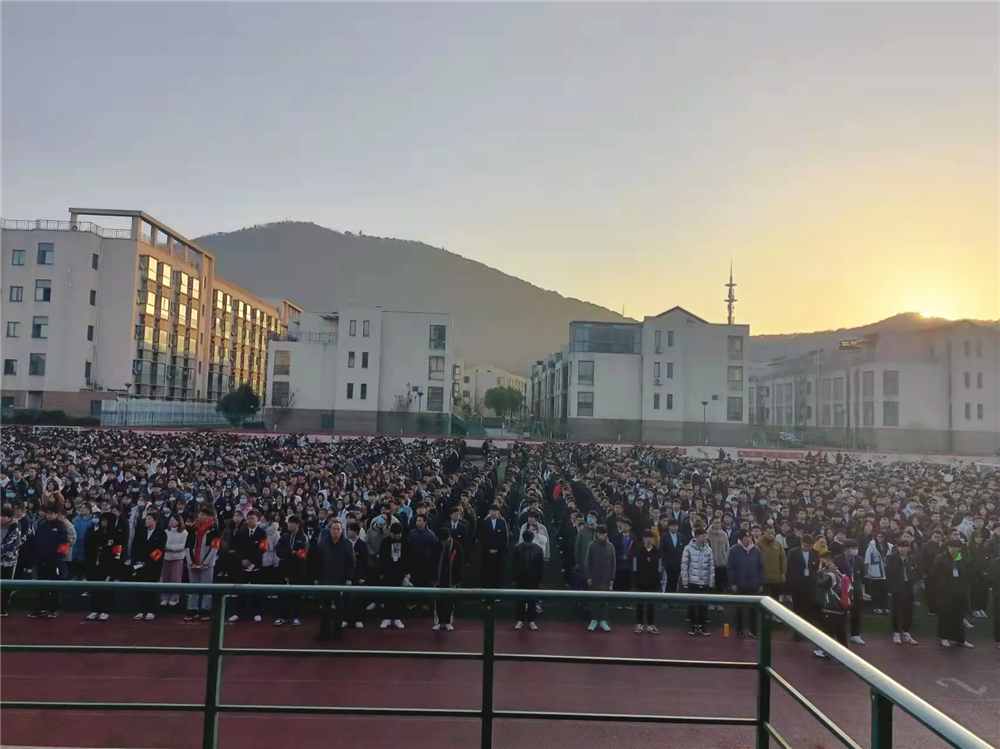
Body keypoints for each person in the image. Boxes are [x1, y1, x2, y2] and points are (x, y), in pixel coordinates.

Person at [315, 518, 356, 642]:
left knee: (339, 609)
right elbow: (316, 562)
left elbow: (351, 563)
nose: (336, 531)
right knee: (325, 608)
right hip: (325, 580)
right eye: (334, 529)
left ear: (341, 531)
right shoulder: (323, 544)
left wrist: (349, 578)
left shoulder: (347, 545)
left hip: (340, 581)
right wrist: (316, 578)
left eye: (338, 529)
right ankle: (324, 633)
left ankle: (338, 634)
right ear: (330, 530)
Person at [28, 505, 70, 619]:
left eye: (51, 513)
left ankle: (54, 609)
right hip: (41, 560)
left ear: (56, 514)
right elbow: (36, 542)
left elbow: (64, 544)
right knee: (41, 586)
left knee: (55, 586)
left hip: (55, 562)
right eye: (48, 513)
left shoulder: (61, 526)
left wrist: (59, 559)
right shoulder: (42, 526)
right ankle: (40, 609)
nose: (49, 515)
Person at [933, 539, 973, 648]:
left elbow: (966, 573)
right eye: (952, 547)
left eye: (957, 547)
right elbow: (935, 575)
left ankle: (960, 639)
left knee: (959, 616)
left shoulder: (961, 559)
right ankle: (943, 637)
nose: (954, 549)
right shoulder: (941, 559)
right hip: (945, 592)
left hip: (959, 592)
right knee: (945, 615)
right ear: (948, 547)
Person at [230, 509, 268, 623]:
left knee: (257, 591)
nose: (250, 521)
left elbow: (262, 549)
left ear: (258, 520)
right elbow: (237, 548)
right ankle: (238, 613)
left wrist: (251, 561)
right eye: (248, 518)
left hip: (256, 566)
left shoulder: (262, 533)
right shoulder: (242, 532)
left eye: (252, 518)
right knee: (241, 591)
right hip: (243, 566)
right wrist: (242, 560)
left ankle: (257, 612)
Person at [184, 507, 221, 622]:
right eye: (199, 514)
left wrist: (206, 563)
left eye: (203, 514)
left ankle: (205, 610)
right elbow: (187, 546)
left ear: (209, 517)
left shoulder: (214, 530)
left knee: (206, 587)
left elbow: (215, 548)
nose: (200, 516)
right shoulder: (193, 529)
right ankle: (192, 609)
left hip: (207, 565)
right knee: (193, 587)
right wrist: (190, 562)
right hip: (193, 563)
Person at [727, 529, 764, 638]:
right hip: (740, 583)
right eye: (745, 537)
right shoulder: (734, 550)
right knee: (739, 609)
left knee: (754, 609)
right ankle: (739, 630)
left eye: (749, 537)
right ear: (740, 539)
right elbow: (730, 568)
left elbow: (760, 567)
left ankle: (753, 630)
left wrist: (761, 583)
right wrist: (733, 583)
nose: (747, 539)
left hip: (753, 584)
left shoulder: (756, 550)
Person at [131, 510, 167, 621]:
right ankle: (141, 610)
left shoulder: (161, 534)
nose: (146, 521)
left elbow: (160, 550)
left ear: (155, 521)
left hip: (153, 565)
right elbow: (134, 547)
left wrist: (148, 562)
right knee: (140, 587)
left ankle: (151, 610)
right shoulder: (140, 531)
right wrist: (136, 561)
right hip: (139, 564)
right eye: (146, 519)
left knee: (151, 588)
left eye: (149, 519)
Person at [274, 514, 309, 626]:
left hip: (297, 570)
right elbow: (278, 550)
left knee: (296, 594)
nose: (289, 525)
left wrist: (291, 554)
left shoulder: (303, 538)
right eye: (288, 522)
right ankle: (282, 616)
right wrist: (291, 553)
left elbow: (302, 554)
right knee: (282, 594)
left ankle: (296, 616)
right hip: (284, 569)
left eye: (291, 523)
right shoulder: (285, 536)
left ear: (297, 524)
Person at [84, 512, 120, 620]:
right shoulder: (95, 534)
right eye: (102, 520)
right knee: (95, 588)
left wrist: (115, 567)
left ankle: (105, 610)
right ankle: (95, 609)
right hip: (95, 565)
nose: (103, 522)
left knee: (106, 589)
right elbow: (88, 550)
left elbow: (117, 553)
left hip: (108, 565)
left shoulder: (116, 536)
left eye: (106, 520)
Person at [680, 527, 716, 637]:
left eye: (705, 535)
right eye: (702, 535)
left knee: (703, 606)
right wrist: (685, 581)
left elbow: (711, 567)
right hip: (693, 581)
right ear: (697, 537)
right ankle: (692, 625)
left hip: (704, 582)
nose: (704, 537)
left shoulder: (708, 550)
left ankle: (702, 625)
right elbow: (684, 565)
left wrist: (711, 582)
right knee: (692, 605)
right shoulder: (688, 548)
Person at [814, 551, 850, 658]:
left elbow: (820, 583)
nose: (821, 564)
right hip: (840, 607)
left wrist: (819, 572)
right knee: (840, 631)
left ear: (828, 561)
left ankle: (825, 650)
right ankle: (845, 650)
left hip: (831, 606)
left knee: (828, 630)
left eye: (822, 562)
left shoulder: (831, 575)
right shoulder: (838, 573)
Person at [785, 534, 819, 640]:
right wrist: (792, 583)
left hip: (810, 585)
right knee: (797, 610)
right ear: (801, 543)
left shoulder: (815, 553)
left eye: (809, 546)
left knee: (809, 611)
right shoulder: (793, 553)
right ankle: (796, 634)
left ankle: (807, 633)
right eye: (805, 545)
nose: (807, 548)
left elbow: (816, 568)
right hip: (797, 586)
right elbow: (789, 569)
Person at [885, 538, 918, 645]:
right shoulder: (891, 558)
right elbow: (888, 573)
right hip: (897, 587)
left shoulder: (912, 559)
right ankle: (896, 633)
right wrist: (890, 588)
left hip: (909, 587)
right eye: (900, 546)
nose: (903, 549)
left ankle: (906, 632)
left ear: (909, 548)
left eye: (905, 546)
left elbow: (915, 572)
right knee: (896, 610)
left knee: (908, 610)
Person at [834, 540, 866, 645]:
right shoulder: (837, 559)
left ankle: (855, 635)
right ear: (846, 549)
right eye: (853, 548)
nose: (855, 550)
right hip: (843, 589)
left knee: (856, 612)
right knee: (840, 613)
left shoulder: (859, 559)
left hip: (856, 589)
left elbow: (862, 573)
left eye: (856, 548)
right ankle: (838, 635)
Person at [378, 521, 410, 629]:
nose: (397, 536)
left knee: (399, 596)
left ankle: (397, 618)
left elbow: (408, 558)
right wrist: (381, 572)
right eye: (395, 534)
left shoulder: (405, 542)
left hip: (400, 572)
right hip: (388, 572)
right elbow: (382, 558)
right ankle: (386, 617)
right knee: (387, 595)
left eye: (399, 534)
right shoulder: (385, 542)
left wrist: (407, 573)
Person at [512, 528, 545, 630]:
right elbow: (514, 565)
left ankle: (531, 620)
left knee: (532, 601)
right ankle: (520, 620)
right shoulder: (517, 549)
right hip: (521, 578)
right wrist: (514, 578)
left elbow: (541, 566)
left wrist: (540, 579)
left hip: (533, 579)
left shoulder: (538, 550)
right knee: (520, 600)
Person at [585, 524, 615, 632]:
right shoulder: (591, 545)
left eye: (603, 534)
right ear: (597, 534)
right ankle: (594, 620)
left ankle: (603, 620)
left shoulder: (610, 546)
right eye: (599, 534)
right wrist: (589, 576)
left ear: (606, 534)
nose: (601, 536)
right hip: (594, 577)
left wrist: (612, 579)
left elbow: (613, 564)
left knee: (605, 600)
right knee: (594, 600)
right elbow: (588, 562)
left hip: (606, 578)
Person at [432, 527, 464, 630]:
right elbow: (432, 562)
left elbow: (460, 564)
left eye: (445, 541)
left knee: (450, 600)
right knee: (438, 600)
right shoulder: (437, 546)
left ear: (449, 538)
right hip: (439, 578)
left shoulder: (457, 546)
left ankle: (448, 621)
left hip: (451, 578)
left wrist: (458, 579)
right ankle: (438, 622)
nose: (444, 543)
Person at [633, 529, 662, 634]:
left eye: (651, 537)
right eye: (647, 537)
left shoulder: (657, 552)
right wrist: (635, 580)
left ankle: (650, 624)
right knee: (640, 604)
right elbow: (635, 567)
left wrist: (658, 582)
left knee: (651, 605)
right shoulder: (638, 551)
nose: (649, 540)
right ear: (643, 538)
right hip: (640, 582)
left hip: (653, 583)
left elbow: (659, 568)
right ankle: (639, 624)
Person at [159, 515, 188, 607]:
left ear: (178, 522)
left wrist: (170, 548)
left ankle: (174, 598)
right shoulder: (166, 531)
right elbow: (163, 543)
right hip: (166, 557)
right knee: (165, 578)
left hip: (178, 558)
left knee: (175, 578)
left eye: (172, 520)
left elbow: (182, 546)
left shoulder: (184, 533)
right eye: (170, 520)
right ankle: (164, 597)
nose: (170, 522)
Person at [479, 505, 509, 589]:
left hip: (499, 552)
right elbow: (482, 537)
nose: (494, 513)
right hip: (487, 552)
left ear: (498, 512)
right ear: (489, 512)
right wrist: (488, 549)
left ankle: (497, 588)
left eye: (495, 511)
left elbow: (504, 537)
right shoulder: (485, 522)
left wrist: (498, 549)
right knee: (487, 570)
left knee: (498, 571)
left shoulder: (502, 522)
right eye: (492, 511)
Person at [1, 506, 23, 617]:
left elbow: (10, 546)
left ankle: (3, 609)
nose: (0, 518)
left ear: (9, 517)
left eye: (3, 516)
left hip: (8, 562)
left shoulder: (15, 529)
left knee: (6, 586)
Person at [659, 518, 686, 594]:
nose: (675, 528)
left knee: (676, 582)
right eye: (673, 526)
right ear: (669, 527)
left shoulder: (681, 536)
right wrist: (663, 563)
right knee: (668, 582)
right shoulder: (664, 536)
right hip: (668, 564)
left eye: (676, 526)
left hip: (678, 563)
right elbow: (662, 550)